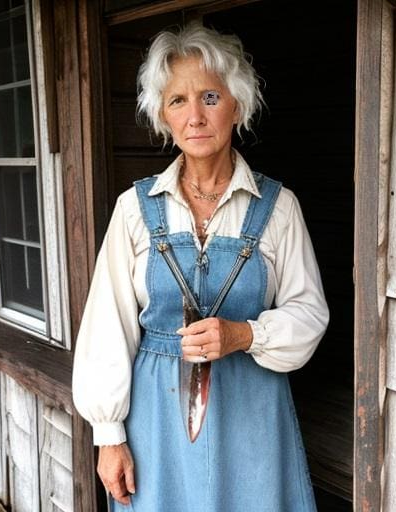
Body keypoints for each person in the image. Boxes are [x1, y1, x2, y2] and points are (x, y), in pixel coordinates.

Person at [72, 20, 329, 512]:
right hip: (158, 413)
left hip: (251, 409)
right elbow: (109, 326)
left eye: (209, 97)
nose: (195, 116)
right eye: (177, 101)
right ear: (162, 116)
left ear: (237, 104)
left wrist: (243, 335)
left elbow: (309, 313)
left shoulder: (278, 207)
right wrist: (108, 435)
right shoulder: (135, 209)